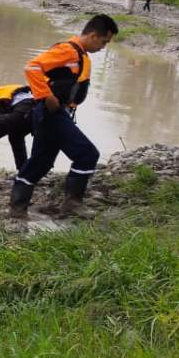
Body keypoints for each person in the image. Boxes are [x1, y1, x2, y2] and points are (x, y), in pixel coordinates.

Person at [9, 14, 118, 219]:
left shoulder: (81, 55)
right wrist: (46, 95)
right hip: (51, 113)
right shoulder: (68, 50)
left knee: (41, 162)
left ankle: (17, 208)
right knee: (87, 155)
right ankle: (72, 204)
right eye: (104, 42)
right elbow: (32, 67)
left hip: (56, 113)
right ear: (93, 35)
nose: (104, 47)